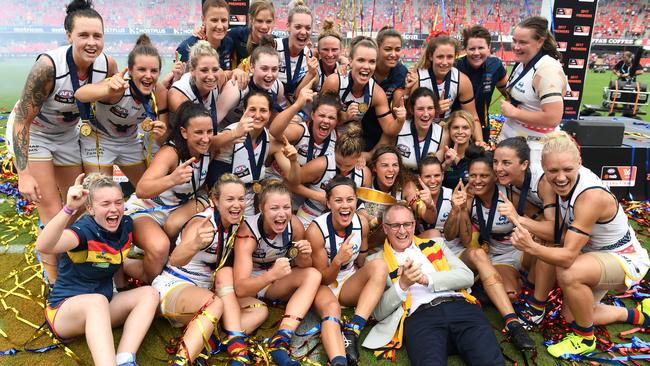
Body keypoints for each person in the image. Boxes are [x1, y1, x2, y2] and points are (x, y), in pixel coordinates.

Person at [510, 131, 650, 358]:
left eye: (567, 170)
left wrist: (530, 246)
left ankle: (585, 339)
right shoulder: (550, 183)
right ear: (543, 169)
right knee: (573, 315)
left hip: (622, 257)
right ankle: (637, 315)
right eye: (553, 171)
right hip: (592, 255)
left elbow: (566, 257)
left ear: (580, 164)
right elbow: (555, 231)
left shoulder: (589, 196)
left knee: (569, 272)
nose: (561, 177)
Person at [6, 0, 117, 284]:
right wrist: (24, 174)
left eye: (97, 36)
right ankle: (55, 279)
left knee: (79, 206)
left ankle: (79, 264)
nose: (91, 42)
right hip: (35, 134)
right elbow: (21, 120)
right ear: (69, 36)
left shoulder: (108, 65)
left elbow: (113, 104)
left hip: (68, 134)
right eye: (83, 35)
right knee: (53, 212)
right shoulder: (48, 66)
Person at [37, 173, 159, 366]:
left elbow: (116, 260)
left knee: (150, 293)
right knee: (97, 301)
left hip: (101, 305)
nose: (114, 209)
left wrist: (123, 286)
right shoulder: (83, 231)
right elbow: (43, 245)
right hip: (64, 312)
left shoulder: (125, 224)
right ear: (90, 208)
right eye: (106, 204)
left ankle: (125, 359)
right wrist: (69, 208)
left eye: (118, 202)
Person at [361, 203, 504, 365]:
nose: (402, 231)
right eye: (395, 226)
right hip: (420, 318)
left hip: (460, 308)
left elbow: (466, 276)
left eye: (407, 224)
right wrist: (402, 285)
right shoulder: (374, 261)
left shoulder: (436, 244)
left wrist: (427, 279)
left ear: (414, 225)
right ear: (385, 228)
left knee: (490, 361)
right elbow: (378, 312)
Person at [153, 174, 267, 366]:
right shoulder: (202, 223)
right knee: (214, 303)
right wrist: (195, 243)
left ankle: (212, 341)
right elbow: (176, 258)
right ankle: (181, 361)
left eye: (241, 199)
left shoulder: (238, 223)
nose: (237, 205)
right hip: (176, 286)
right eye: (230, 199)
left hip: (208, 292)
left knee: (258, 310)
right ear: (215, 200)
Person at [447, 149, 535, 350]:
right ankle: (513, 322)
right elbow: (458, 237)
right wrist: (458, 209)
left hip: (521, 249)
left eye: (484, 176)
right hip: (498, 255)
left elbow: (539, 219)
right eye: (473, 175)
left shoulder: (509, 195)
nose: (477, 181)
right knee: (511, 294)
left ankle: (515, 290)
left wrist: (520, 222)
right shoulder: (470, 199)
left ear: (495, 176)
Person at [233, 180, 322, 366]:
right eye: (274, 208)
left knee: (313, 274)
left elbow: (304, 265)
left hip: (275, 282)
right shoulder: (247, 233)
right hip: (250, 287)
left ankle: (281, 339)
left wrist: (305, 254)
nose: (282, 214)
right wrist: (272, 275)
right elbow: (240, 288)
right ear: (261, 208)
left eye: (286, 207)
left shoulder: (294, 225)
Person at [124, 102, 215, 283]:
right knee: (160, 248)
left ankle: (142, 272)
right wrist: (172, 179)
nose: (205, 138)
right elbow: (142, 189)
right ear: (183, 132)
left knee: (168, 249)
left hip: (176, 210)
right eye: (198, 132)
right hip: (147, 210)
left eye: (209, 131)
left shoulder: (209, 148)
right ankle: (145, 280)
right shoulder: (171, 152)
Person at [306, 177, 387, 366]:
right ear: (328, 203)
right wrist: (337, 261)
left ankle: (353, 331)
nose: (345, 205)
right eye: (338, 200)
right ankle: (339, 361)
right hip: (322, 284)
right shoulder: (315, 230)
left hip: (348, 281)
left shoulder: (362, 223)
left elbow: (361, 260)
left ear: (356, 201)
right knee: (331, 309)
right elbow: (321, 278)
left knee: (380, 266)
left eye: (350, 200)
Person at [75, 34, 168, 184]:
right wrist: (108, 91)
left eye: (154, 71)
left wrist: (161, 134)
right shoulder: (118, 86)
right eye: (142, 70)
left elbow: (162, 137)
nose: (148, 76)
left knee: (148, 190)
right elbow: (80, 94)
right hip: (99, 141)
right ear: (130, 70)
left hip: (129, 142)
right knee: (100, 192)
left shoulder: (159, 91)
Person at [212, 90, 298, 215]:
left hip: (249, 204)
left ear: (269, 114)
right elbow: (208, 144)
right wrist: (234, 134)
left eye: (263, 110)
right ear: (243, 111)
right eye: (252, 109)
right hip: (224, 204)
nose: (257, 115)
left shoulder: (270, 140)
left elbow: (294, 180)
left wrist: (294, 161)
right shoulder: (232, 132)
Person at [499, 16, 567, 163]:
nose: (516, 47)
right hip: (514, 140)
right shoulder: (524, 61)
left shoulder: (547, 69)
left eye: (523, 42)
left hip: (534, 147)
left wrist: (514, 112)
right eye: (514, 40)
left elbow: (553, 118)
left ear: (540, 42)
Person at [321, 36, 404, 154]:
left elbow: (390, 130)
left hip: (352, 143)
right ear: (350, 61)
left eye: (371, 62)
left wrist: (400, 120)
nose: (366, 66)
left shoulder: (377, 93)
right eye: (361, 60)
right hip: (325, 135)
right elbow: (319, 118)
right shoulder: (335, 82)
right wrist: (345, 116)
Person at [406, 34, 483, 142]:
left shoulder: (462, 80)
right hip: (419, 131)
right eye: (440, 57)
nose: (445, 62)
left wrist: (480, 141)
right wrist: (435, 110)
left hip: (446, 134)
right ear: (430, 56)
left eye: (450, 57)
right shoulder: (418, 78)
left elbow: (472, 117)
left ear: (455, 56)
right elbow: (408, 114)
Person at [295, 126, 371, 228]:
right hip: (311, 216)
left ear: (359, 156)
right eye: (339, 163)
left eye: (348, 165)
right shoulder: (321, 164)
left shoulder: (364, 174)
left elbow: (364, 203)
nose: (343, 169)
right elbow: (289, 183)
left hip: (342, 223)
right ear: (334, 151)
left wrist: (361, 212)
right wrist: (318, 196)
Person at [217, 35, 287, 127]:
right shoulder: (236, 88)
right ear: (252, 68)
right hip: (229, 133)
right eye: (264, 69)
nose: (270, 75)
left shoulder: (277, 87)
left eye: (274, 69)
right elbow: (213, 122)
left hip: (256, 133)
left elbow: (274, 117)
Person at [360, 26, 408, 152]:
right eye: (388, 49)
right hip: (359, 124)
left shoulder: (401, 72)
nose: (393, 54)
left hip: (384, 127)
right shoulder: (366, 67)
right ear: (378, 48)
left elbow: (397, 108)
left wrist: (408, 91)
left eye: (397, 49)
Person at [456, 25, 508, 142]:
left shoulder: (495, 66)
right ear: (465, 49)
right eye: (472, 49)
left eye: (481, 48)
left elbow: (509, 93)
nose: (476, 53)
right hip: (457, 128)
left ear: (489, 47)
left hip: (483, 126)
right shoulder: (456, 66)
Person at [168, 41, 222, 128]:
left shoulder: (220, 77)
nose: (211, 76)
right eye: (204, 70)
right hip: (179, 139)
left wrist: (237, 72)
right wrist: (234, 133)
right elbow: (198, 128)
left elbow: (229, 74)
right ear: (192, 70)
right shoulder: (179, 95)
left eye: (215, 69)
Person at [396, 88, 444, 172]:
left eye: (430, 108)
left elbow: (437, 171)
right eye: (420, 109)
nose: (426, 114)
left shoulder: (442, 133)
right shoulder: (400, 128)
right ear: (411, 109)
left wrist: (447, 163)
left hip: (428, 182)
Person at [274, 0, 313, 100]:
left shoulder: (309, 55)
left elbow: (297, 96)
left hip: (292, 106)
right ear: (288, 26)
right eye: (298, 27)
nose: (304, 32)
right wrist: (239, 71)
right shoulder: (273, 46)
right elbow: (248, 64)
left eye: (308, 28)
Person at [297, 19, 346, 92]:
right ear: (318, 51)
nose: (330, 54)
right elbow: (297, 96)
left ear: (341, 51)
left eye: (334, 50)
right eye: (325, 50)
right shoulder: (314, 71)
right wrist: (310, 74)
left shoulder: (344, 70)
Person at [436, 110, 480, 189]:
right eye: (456, 127)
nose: (460, 132)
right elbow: (432, 179)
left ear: (472, 131)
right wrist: (445, 165)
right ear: (449, 130)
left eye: (465, 128)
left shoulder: (478, 155)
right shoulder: (442, 153)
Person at [228, 0, 275, 68]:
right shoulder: (236, 35)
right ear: (251, 19)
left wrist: (266, 44)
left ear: (273, 22)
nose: (264, 27)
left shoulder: (276, 43)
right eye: (259, 21)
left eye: (269, 21)